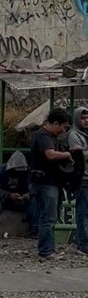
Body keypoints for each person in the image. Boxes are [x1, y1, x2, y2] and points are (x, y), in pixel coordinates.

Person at [29, 108, 72, 260]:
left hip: (53, 182)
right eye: (63, 127)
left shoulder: (53, 137)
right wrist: (69, 154)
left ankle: (49, 248)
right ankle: (46, 251)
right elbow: (51, 155)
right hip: (45, 182)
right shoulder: (43, 136)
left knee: (52, 217)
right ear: (55, 123)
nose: (63, 130)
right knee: (47, 218)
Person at [0, 150, 37, 240]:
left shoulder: (27, 173)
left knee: (34, 200)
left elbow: (32, 188)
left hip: (19, 201)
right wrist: (9, 195)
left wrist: (28, 194)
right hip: (2, 199)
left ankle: (34, 230)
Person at [67, 106, 88, 254]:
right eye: (83, 118)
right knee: (83, 213)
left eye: (87, 118)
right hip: (82, 179)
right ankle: (82, 243)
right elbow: (79, 155)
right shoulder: (74, 135)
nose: (86, 121)